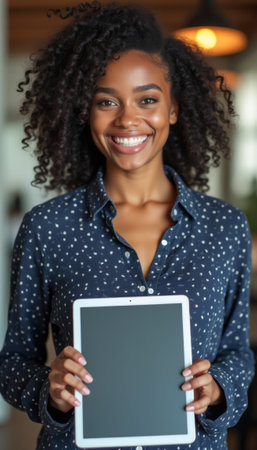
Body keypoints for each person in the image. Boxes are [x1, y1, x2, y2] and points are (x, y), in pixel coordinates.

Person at [0, 2, 254, 449]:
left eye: (148, 99)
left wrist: (218, 389)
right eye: (106, 101)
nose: (127, 119)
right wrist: (51, 391)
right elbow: (14, 362)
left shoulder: (224, 228)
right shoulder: (48, 228)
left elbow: (237, 352)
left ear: (173, 109)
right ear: (87, 111)